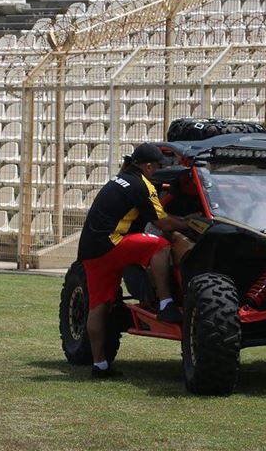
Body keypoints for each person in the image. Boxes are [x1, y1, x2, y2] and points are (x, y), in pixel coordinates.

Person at [77, 142, 189, 379]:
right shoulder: (143, 185)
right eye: (157, 166)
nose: (158, 170)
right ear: (148, 166)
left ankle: (100, 364)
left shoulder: (120, 178)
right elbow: (164, 223)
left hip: (90, 250)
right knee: (160, 245)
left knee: (99, 306)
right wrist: (189, 222)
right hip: (111, 244)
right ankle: (166, 303)